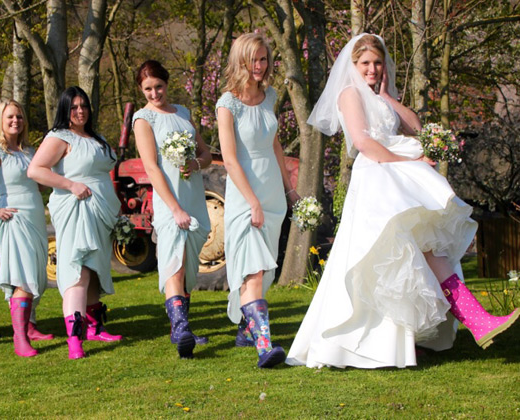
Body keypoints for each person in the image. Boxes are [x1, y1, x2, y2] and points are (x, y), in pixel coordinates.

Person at [286, 33, 519, 369]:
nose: (372, 69)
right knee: (387, 258)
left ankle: (462, 321)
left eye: (378, 62)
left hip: (394, 171)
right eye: (365, 63)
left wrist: (387, 97)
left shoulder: (379, 96)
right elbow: (364, 143)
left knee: (419, 250)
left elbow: (416, 126)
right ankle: (468, 319)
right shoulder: (349, 94)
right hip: (378, 177)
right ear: (354, 65)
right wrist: (407, 163)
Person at [215, 33, 300, 368]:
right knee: (252, 265)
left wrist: (289, 187)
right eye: (254, 60)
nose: (260, 66)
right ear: (241, 61)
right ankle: (265, 345)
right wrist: (252, 202)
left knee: (262, 270)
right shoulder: (227, 103)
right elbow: (230, 158)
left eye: (264, 59)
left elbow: (274, 144)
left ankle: (245, 328)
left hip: (272, 193)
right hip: (244, 193)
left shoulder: (270, 96)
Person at [27, 86, 122, 359]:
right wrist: (70, 185)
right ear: (65, 110)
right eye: (74, 107)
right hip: (76, 208)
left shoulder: (96, 137)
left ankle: (93, 327)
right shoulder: (59, 137)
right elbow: (36, 170)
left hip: (101, 211)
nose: (80, 111)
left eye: (84, 106)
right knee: (78, 269)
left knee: (94, 267)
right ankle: (74, 338)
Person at [133, 60, 212, 359]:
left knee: (189, 264)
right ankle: (180, 329)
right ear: (142, 91)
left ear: (167, 84)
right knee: (174, 262)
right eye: (148, 89)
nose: (155, 94)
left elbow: (205, 153)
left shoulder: (183, 113)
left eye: (159, 87)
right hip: (170, 201)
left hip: (193, 195)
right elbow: (152, 168)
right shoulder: (143, 119)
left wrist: (195, 163)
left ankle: (181, 327)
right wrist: (175, 208)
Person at [0, 100, 54, 358]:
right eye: (10, 117)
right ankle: (19, 339)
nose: (15, 121)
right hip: (13, 217)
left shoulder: (29, 150)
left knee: (36, 274)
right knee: (23, 276)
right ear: (0, 121)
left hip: (35, 213)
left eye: (19, 117)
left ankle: (29, 327)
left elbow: (38, 182)